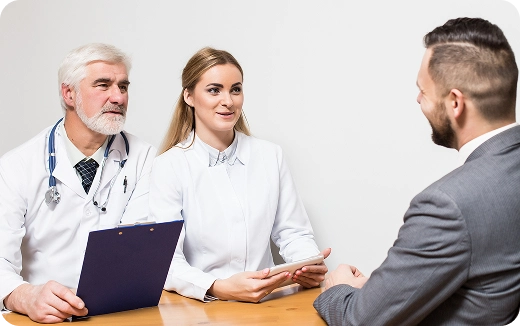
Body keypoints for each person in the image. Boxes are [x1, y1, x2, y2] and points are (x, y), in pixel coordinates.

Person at [313, 17, 520, 325]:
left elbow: (360, 320)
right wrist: (378, 291)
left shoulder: (447, 205)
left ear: (454, 103)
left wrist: (337, 288)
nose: (418, 99)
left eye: (423, 90)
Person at [149, 47, 331, 303]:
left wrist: (307, 266)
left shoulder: (270, 155)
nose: (229, 101)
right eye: (214, 90)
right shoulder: (169, 166)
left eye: (235, 89)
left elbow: (294, 233)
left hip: (269, 305)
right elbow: (166, 261)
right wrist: (217, 287)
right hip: (201, 308)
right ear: (188, 96)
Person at [0, 43, 156, 323]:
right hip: (43, 318)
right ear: (69, 93)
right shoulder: (16, 166)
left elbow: (139, 248)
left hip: (117, 313)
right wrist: (24, 296)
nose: (118, 97)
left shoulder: (143, 157)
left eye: (123, 86)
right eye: (103, 85)